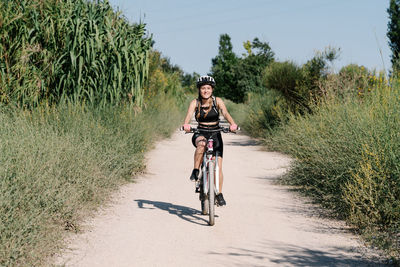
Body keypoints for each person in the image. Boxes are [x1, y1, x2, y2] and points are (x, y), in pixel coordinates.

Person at [182, 75, 238, 206]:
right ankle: (196, 170)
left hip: (215, 133)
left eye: (208, 88)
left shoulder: (217, 101)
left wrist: (232, 124)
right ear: (199, 90)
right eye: (203, 88)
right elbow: (189, 115)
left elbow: (225, 113)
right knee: (201, 145)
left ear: (212, 89)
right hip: (200, 132)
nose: (205, 91)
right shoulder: (195, 103)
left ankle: (218, 193)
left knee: (218, 166)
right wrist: (186, 125)